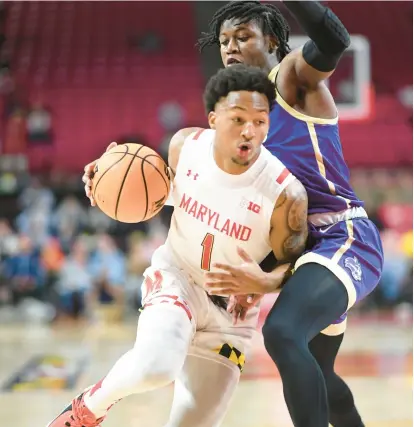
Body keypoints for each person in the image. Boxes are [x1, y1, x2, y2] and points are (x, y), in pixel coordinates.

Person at [47, 64, 309, 427]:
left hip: (230, 316)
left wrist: (263, 282)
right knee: (157, 366)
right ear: (214, 118)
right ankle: (88, 408)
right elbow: (153, 192)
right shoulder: (185, 146)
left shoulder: (285, 194)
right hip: (178, 278)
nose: (249, 130)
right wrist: (107, 176)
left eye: (260, 121)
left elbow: (298, 267)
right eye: (237, 119)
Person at [198, 2, 384, 427]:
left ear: (273, 42)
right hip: (304, 252)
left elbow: (334, 40)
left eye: (242, 36)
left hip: (344, 236)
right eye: (224, 41)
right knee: (321, 372)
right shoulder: (244, 121)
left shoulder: (291, 80)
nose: (230, 47)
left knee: (281, 333)